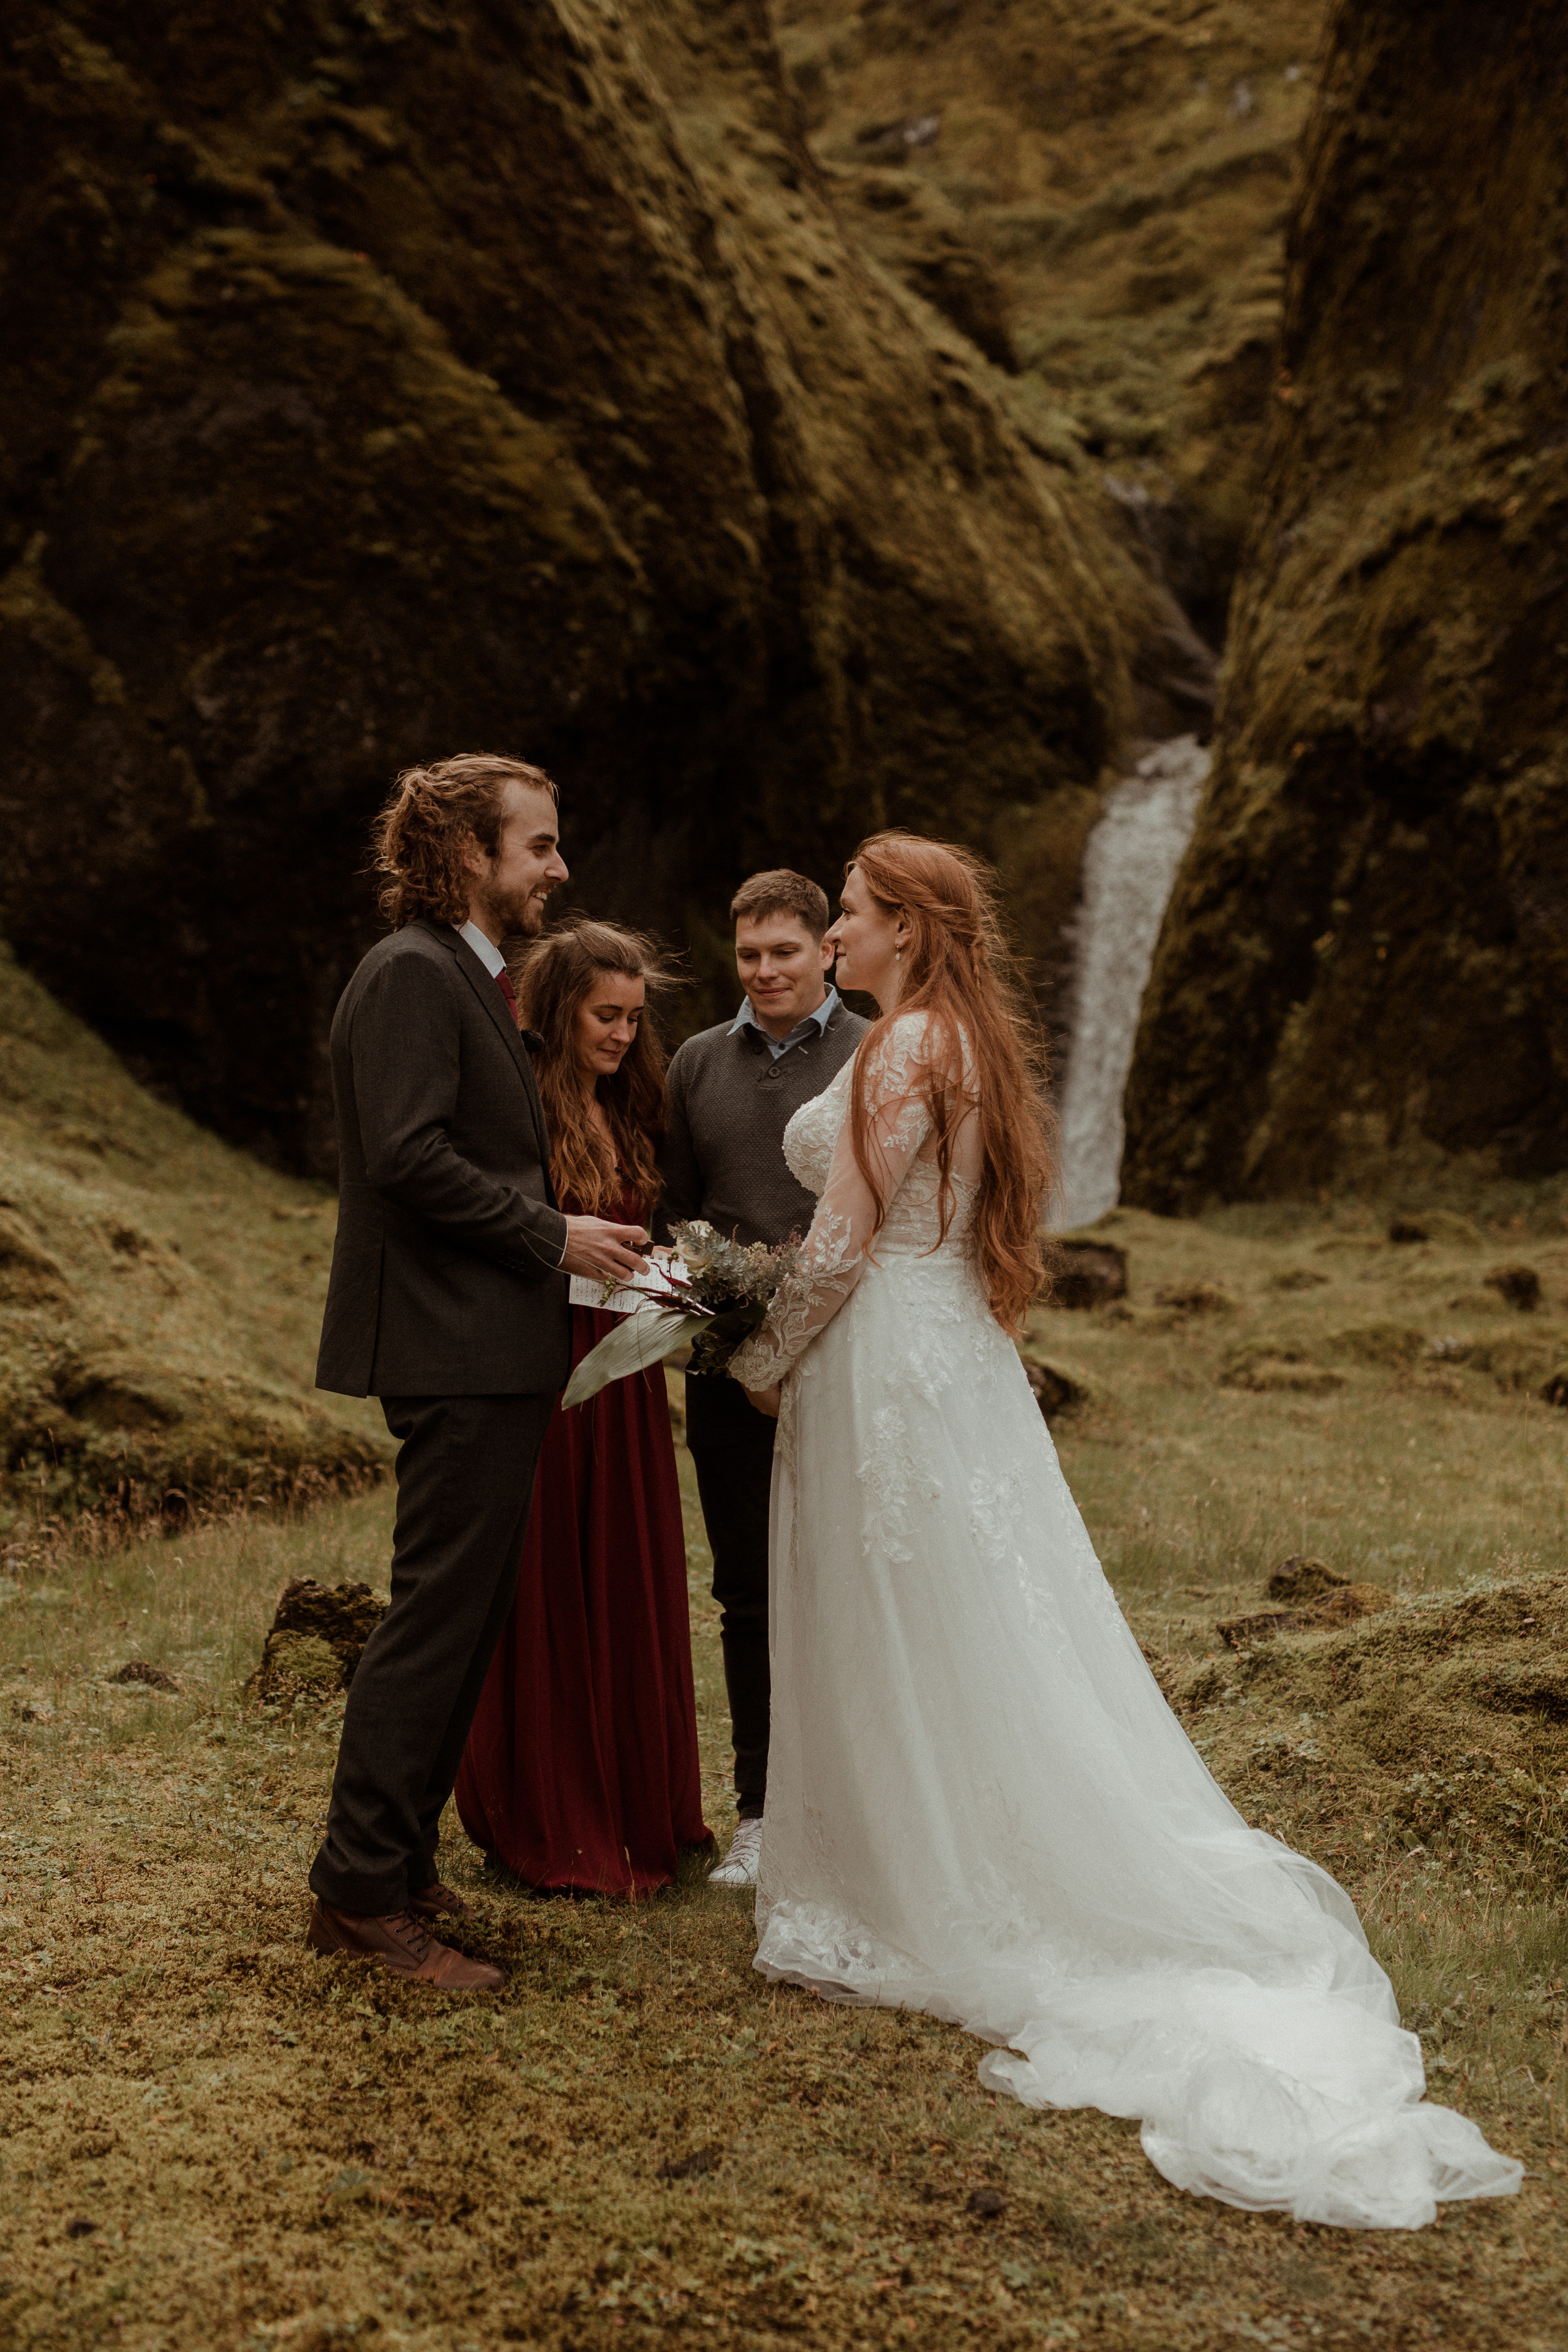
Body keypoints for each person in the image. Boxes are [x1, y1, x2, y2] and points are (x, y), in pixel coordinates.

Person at [726, 831, 1521, 2230]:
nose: (833, 934)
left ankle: (921, 1877)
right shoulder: (961, 1035)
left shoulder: (907, 1045)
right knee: (955, 1614)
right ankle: (916, 1838)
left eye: (846, 915)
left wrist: (755, 1352)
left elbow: (845, 1239)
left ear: (903, 926)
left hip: (882, 1357)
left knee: (894, 1609)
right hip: (944, 1349)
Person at [307, 756, 650, 1988]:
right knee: (434, 1616)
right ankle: (356, 1894)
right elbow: (407, 1156)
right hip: (450, 1346)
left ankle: (396, 1870)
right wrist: (553, 1236)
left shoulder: (466, 973)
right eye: (539, 846)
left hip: (488, 1344)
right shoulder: (411, 975)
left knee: (466, 1616)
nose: (558, 869)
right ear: (469, 854)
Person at [455, 921, 710, 1894]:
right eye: (607, 1016)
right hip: (549, 1365)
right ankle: (554, 1813)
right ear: (559, 1012)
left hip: (627, 1368)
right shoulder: (515, 1106)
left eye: (635, 1019)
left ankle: (643, 1805)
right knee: (551, 1574)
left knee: (625, 1568)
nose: (621, 1035)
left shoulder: (630, 1100)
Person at [657, 871, 866, 1887]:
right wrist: (727, 1319)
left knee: (854, 1584)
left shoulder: (875, 1051)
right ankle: (760, 1812)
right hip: (727, 1365)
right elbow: (679, 1214)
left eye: (786, 951)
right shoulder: (696, 1063)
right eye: (749, 955)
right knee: (747, 1589)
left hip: (848, 1359)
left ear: (827, 949)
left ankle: (860, 1807)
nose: (767, 971)